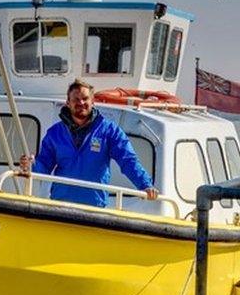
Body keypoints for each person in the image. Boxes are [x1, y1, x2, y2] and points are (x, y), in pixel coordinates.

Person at [20, 79, 159, 207]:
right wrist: (30, 166)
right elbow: (44, 165)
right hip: (61, 207)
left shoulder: (110, 131)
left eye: (85, 99)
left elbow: (128, 160)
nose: (81, 103)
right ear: (68, 103)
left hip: (94, 208)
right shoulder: (55, 133)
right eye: (76, 99)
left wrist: (145, 185)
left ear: (93, 102)